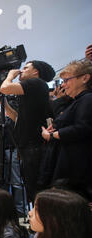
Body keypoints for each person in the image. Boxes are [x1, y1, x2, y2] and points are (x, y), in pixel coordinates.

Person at [0, 60, 55, 203]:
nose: (21, 70)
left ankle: (41, 221)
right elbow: (17, 117)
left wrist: (10, 76)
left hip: (33, 146)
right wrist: (4, 104)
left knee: (37, 190)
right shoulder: (33, 89)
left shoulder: (36, 83)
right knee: (32, 188)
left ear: (36, 72)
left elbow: (5, 88)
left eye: (26, 68)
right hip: (28, 146)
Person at [41, 59, 92, 201]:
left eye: (67, 80)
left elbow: (82, 128)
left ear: (85, 78)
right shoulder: (77, 101)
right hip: (69, 162)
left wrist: (53, 135)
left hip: (77, 167)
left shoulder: (87, 99)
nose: (63, 85)